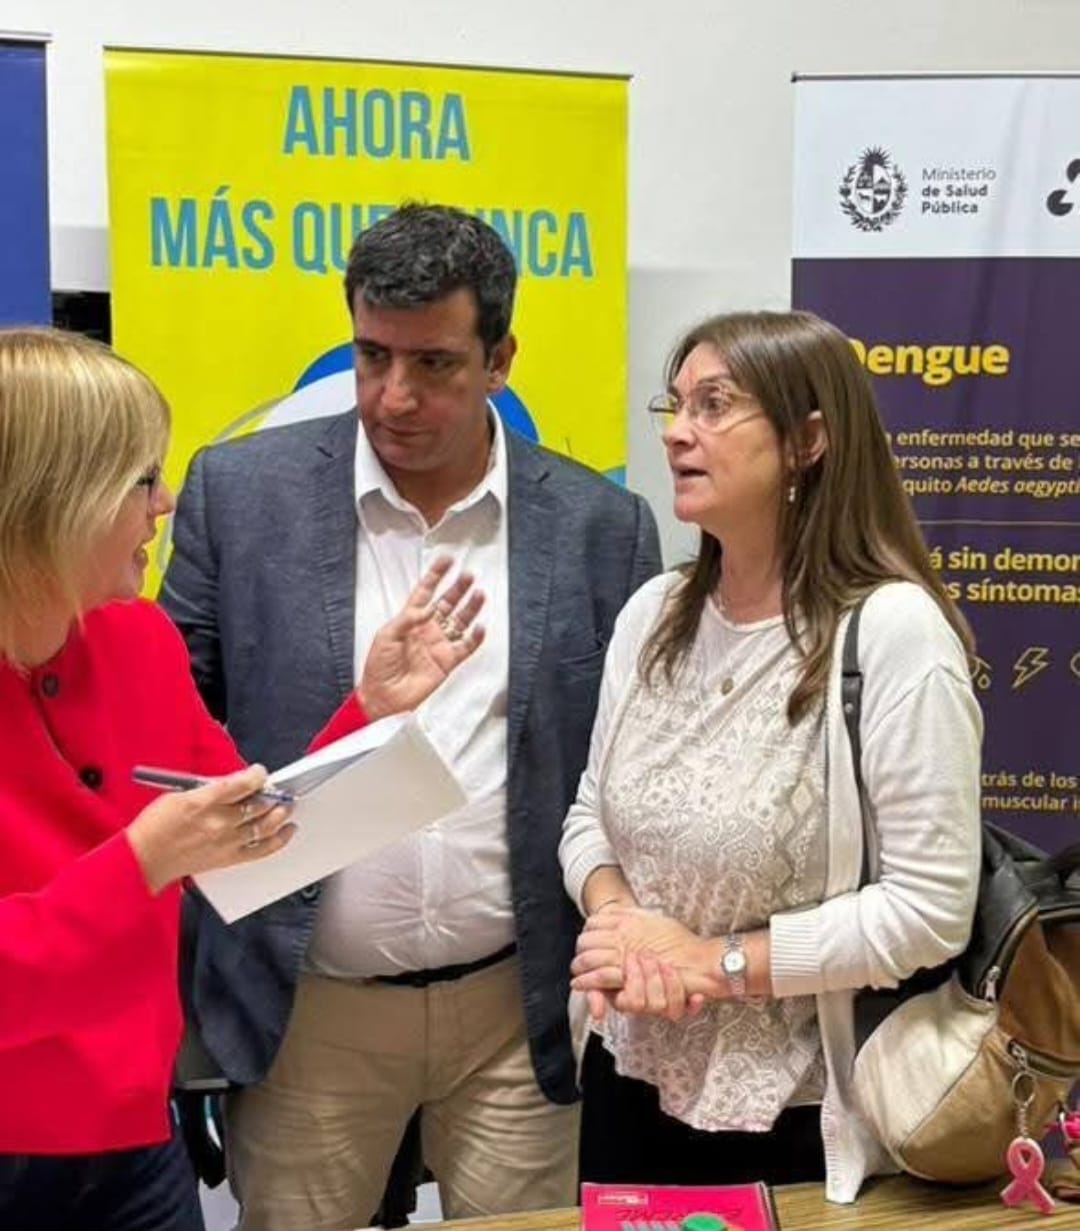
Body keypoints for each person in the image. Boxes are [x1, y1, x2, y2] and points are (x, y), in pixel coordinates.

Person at [160, 202, 662, 1228]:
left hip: (516, 1013)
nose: (394, 395)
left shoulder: (600, 528)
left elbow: (628, 766)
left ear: (500, 359)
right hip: (309, 1008)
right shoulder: (239, 496)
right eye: (372, 355)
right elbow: (171, 735)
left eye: (433, 363)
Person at [0, 326, 484, 1230]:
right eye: (141, 479)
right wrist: (141, 862)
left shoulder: (140, 640)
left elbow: (255, 844)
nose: (165, 502)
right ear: (55, 499)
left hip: (136, 1143)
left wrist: (367, 714)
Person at [559, 310, 982, 1204]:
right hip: (625, 1082)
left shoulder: (894, 634)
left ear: (807, 440)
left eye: (714, 405)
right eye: (675, 405)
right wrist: (620, 922)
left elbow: (931, 909)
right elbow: (589, 812)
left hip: (799, 1117)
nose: (678, 431)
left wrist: (712, 963)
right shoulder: (652, 614)